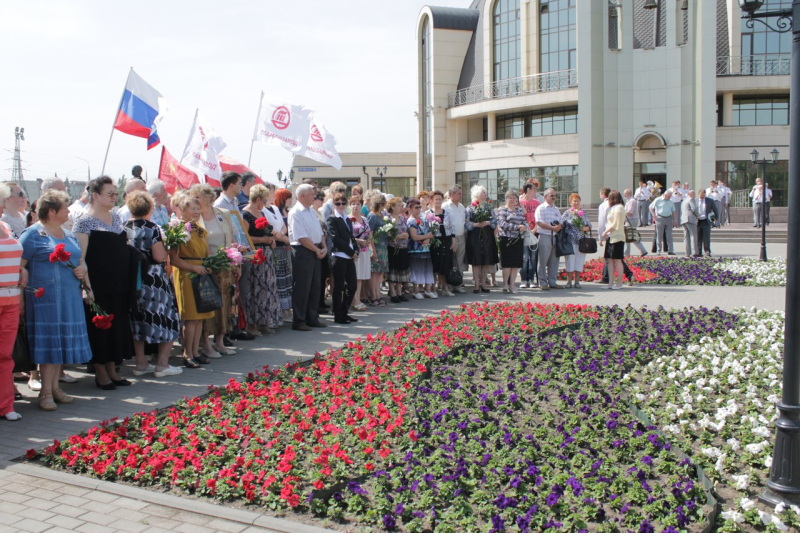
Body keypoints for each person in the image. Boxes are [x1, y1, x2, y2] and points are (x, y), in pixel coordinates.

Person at [21, 190, 93, 410]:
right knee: (49, 345)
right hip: (45, 300)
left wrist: (82, 272)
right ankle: (45, 393)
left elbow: (80, 260)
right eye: (65, 207)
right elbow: (19, 266)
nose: (68, 211)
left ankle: (54, 388)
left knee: (59, 343)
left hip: (69, 298)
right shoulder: (32, 234)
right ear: (52, 211)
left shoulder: (68, 234)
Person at [74, 177, 136, 390]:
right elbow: (80, 258)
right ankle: (100, 372)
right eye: (109, 193)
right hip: (98, 285)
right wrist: (87, 287)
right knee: (100, 328)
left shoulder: (117, 218)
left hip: (119, 284)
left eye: (115, 193)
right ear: (95, 195)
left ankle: (112, 368)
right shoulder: (84, 222)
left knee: (117, 327)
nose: (114, 197)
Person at [123, 191, 182, 378]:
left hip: (132, 278)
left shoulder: (123, 227)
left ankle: (141, 363)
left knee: (137, 319)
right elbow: (158, 256)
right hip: (152, 278)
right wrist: (168, 248)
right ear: (149, 208)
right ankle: (162, 365)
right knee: (166, 317)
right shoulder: (152, 228)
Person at [190, 184, 238, 355]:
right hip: (205, 267)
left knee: (224, 304)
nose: (194, 201)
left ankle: (219, 341)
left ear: (208, 197)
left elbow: (230, 237)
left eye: (197, 197)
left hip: (224, 267)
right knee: (206, 304)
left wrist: (234, 257)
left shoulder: (222, 214)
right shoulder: (194, 217)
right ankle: (205, 343)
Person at [169, 195, 214, 368]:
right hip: (187, 274)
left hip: (201, 272)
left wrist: (213, 263)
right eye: (192, 208)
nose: (196, 212)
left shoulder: (199, 229)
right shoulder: (178, 229)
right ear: (182, 210)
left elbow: (207, 251)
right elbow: (174, 258)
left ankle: (196, 351)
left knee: (200, 317)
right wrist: (194, 268)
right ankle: (187, 353)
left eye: (197, 208)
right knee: (191, 317)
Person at [242, 184, 282, 337]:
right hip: (255, 255)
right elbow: (244, 237)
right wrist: (263, 239)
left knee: (267, 288)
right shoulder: (246, 214)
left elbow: (268, 231)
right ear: (257, 199)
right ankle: (252, 324)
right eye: (264, 200)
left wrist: (271, 240)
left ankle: (264, 321)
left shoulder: (260, 213)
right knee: (255, 289)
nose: (265, 204)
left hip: (266, 253)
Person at [0, 183, 25, 420]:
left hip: (11, 298)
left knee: (6, 355)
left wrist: (20, 271)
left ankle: (6, 405)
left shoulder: (6, 226)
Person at [288, 184, 327, 331]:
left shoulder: (311, 211)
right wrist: (317, 249)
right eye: (312, 194)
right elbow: (302, 237)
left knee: (315, 286)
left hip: (315, 249)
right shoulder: (296, 212)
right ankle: (299, 320)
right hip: (303, 251)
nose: (314, 196)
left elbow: (320, 231)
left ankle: (312, 318)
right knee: (302, 287)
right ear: (302, 196)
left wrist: (324, 247)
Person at [261, 184, 293, 323]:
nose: (273, 194)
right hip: (276, 246)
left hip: (282, 245)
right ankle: (280, 311)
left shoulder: (274, 208)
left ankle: (287, 310)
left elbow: (283, 226)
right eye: (271, 191)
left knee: (286, 280)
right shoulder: (263, 209)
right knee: (278, 280)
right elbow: (269, 228)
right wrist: (282, 238)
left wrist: (282, 235)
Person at [326, 193, 359, 324]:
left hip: (348, 256)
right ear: (334, 205)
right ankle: (338, 315)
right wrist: (351, 252)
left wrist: (355, 249)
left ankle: (344, 312)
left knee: (352, 286)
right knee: (339, 287)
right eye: (338, 203)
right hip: (339, 256)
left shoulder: (346, 218)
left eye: (343, 203)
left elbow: (351, 237)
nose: (341, 206)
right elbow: (335, 239)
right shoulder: (332, 219)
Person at [465, 185, 497, 293]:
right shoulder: (470, 208)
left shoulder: (488, 207)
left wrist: (488, 222)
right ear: (477, 194)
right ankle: (476, 284)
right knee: (476, 260)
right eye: (483, 192)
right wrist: (475, 224)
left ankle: (484, 283)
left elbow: (495, 220)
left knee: (486, 260)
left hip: (487, 235)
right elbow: (466, 223)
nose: (485, 194)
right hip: (475, 236)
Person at [496, 189, 527, 294]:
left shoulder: (518, 210)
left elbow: (524, 221)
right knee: (507, 264)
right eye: (510, 198)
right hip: (506, 240)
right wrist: (517, 227)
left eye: (514, 198)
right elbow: (502, 224)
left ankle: (512, 285)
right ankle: (505, 285)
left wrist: (525, 227)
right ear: (506, 199)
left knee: (515, 264)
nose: (512, 200)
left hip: (518, 240)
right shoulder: (502, 210)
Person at [407, 199, 437, 299]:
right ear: (410, 209)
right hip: (415, 249)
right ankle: (416, 290)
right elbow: (414, 236)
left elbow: (429, 232)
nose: (418, 209)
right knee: (417, 269)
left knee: (428, 268)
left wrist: (428, 238)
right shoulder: (411, 221)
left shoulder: (423, 219)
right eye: (416, 207)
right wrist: (426, 237)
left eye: (419, 207)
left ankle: (428, 290)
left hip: (425, 248)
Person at [427, 190, 456, 296]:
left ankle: (445, 288)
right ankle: (433, 288)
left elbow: (452, 229)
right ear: (432, 200)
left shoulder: (447, 213)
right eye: (436, 199)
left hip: (446, 240)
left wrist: (453, 242)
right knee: (435, 265)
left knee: (446, 264)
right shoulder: (428, 213)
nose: (438, 201)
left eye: (439, 199)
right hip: (434, 241)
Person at [561, 193, 592, 289]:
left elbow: (589, 226)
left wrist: (583, 228)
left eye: (578, 201)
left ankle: (577, 282)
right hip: (570, 241)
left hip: (581, 241)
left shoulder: (583, 213)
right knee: (570, 261)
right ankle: (569, 282)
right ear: (570, 202)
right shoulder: (567, 213)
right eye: (574, 201)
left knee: (579, 261)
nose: (576, 202)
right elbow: (561, 224)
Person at [534, 188, 563, 290]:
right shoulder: (541, 208)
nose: (554, 197)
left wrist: (559, 226)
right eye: (551, 195)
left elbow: (561, 221)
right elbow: (539, 222)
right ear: (545, 197)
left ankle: (552, 282)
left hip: (555, 237)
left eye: (555, 195)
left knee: (554, 261)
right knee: (542, 261)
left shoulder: (556, 209)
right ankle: (542, 283)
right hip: (545, 236)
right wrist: (552, 228)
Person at [349, 196, 374, 310]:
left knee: (360, 277)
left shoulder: (364, 219)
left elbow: (369, 233)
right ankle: (354, 301)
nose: (355, 206)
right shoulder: (347, 219)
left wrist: (370, 244)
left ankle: (357, 299)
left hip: (364, 251)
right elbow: (346, 237)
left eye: (358, 204)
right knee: (354, 277)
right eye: (353, 204)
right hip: (353, 251)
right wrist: (359, 241)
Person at [442, 186, 467, 293]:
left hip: (461, 237)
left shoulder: (461, 207)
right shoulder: (445, 206)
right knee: (450, 261)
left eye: (461, 193)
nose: (461, 195)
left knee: (460, 262)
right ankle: (448, 285)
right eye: (459, 194)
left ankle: (458, 284)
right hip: (450, 238)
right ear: (452, 194)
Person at [367, 192, 390, 306]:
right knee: (374, 272)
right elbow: (369, 234)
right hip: (376, 246)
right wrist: (373, 250)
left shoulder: (381, 215)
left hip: (383, 246)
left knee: (379, 273)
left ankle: (378, 294)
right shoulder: (372, 216)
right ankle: (374, 296)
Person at [386, 197, 410, 303]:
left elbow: (406, 230)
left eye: (401, 206)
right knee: (393, 270)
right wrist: (399, 237)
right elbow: (388, 235)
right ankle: (393, 292)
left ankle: (400, 292)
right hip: (393, 248)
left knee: (401, 270)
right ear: (392, 207)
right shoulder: (388, 218)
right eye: (398, 206)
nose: (401, 208)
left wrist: (406, 235)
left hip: (403, 248)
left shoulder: (402, 218)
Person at [601, 190, 626, 290]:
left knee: (617, 260)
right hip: (611, 237)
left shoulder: (619, 208)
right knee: (610, 260)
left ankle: (619, 283)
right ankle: (610, 283)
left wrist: (605, 232)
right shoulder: (614, 208)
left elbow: (616, 224)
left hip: (617, 237)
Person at [518, 182, 540, 288]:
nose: (535, 190)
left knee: (533, 257)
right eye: (533, 188)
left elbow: (538, 219)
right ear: (528, 190)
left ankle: (531, 279)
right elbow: (519, 216)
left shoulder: (537, 203)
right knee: (524, 257)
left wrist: (535, 229)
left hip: (534, 233)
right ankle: (523, 279)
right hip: (523, 233)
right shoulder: (520, 202)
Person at [649, 190, 677, 255]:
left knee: (669, 235)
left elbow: (674, 211)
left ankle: (670, 250)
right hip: (660, 218)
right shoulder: (658, 200)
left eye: (670, 196)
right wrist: (653, 214)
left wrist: (675, 220)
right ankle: (658, 250)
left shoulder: (671, 201)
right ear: (665, 195)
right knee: (659, 235)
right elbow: (651, 207)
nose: (669, 198)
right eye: (668, 197)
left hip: (669, 218)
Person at [623, 189, 648, 257]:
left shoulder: (632, 201)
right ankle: (643, 250)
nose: (624, 194)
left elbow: (630, 213)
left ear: (629, 193)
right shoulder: (629, 201)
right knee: (631, 236)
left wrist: (622, 211)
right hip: (630, 220)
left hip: (631, 220)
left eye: (625, 193)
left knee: (628, 236)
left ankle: (627, 253)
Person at [697, 188, 719, 256]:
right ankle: (698, 251)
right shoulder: (695, 201)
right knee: (698, 237)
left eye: (703, 196)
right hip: (697, 221)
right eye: (701, 196)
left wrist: (715, 218)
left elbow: (715, 210)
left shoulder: (710, 201)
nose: (702, 197)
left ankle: (707, 251)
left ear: (705, 194)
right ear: (698, 195)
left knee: (706, 237)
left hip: (706, 221)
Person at [680, 190, 700, 257]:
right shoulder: (691, 199)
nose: (694, 194)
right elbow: (693, 209)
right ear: (689, 194)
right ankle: (695, 252)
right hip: (690, 219)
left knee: (686, 237)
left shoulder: (684, 200)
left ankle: (687, 252)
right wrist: (698, 216)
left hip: (684, 219)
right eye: (693, 193)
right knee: (693, 236)